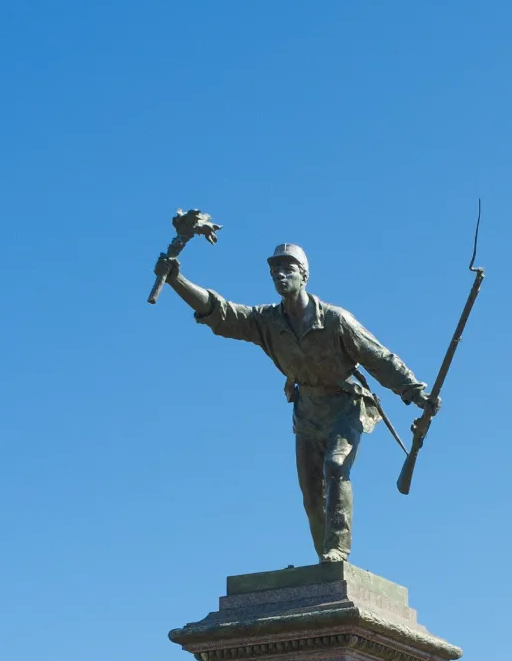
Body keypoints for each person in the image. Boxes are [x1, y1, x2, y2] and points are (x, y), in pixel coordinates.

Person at [155, 241, 437, 564]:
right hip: (306, 413)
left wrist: (414, 392)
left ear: (304, 275)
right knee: (311, 497)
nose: (280, 274)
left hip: (345, 407)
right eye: (275, 269)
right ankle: (325, 564)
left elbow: (379, 358)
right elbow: (221, 313)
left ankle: (338, 549)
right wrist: (177, 280)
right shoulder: (267, 322)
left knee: (336, 466)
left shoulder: (335, 320)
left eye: (288, 268)